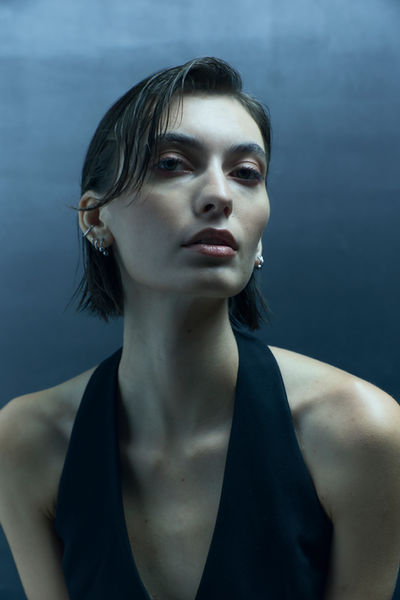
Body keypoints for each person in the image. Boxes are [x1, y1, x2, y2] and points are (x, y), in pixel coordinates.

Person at [0, 56, 399, 600]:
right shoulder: (26, 441)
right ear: (96, 218)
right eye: (172, 163)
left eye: (246, 173)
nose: (221, 195)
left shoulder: (359, 432)